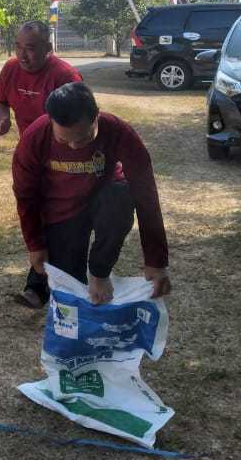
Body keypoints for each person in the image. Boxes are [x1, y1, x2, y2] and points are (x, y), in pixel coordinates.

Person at [12, 82, 172, 307]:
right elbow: (25, 195)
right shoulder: (34, 138)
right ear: (51, 121)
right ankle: (42, 288)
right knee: (70, 283)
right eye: (63, 140)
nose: (74, 147)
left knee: (119, 198)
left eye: (84, 139)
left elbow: (146, 195)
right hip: (61, 207)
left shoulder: (119, 132)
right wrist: (35, 244)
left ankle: (99, 274)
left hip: (104, 197)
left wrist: (156, 260)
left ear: (96, 116)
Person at [0, 20, 82, 141]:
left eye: (30, 48)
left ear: (48, 48)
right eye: (18, 46)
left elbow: (81, 121)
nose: (22, 55)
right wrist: (3, 119)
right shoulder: (10, 68)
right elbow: (0, 102)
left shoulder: (66, 76)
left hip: (62, 145)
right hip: (28, 142)